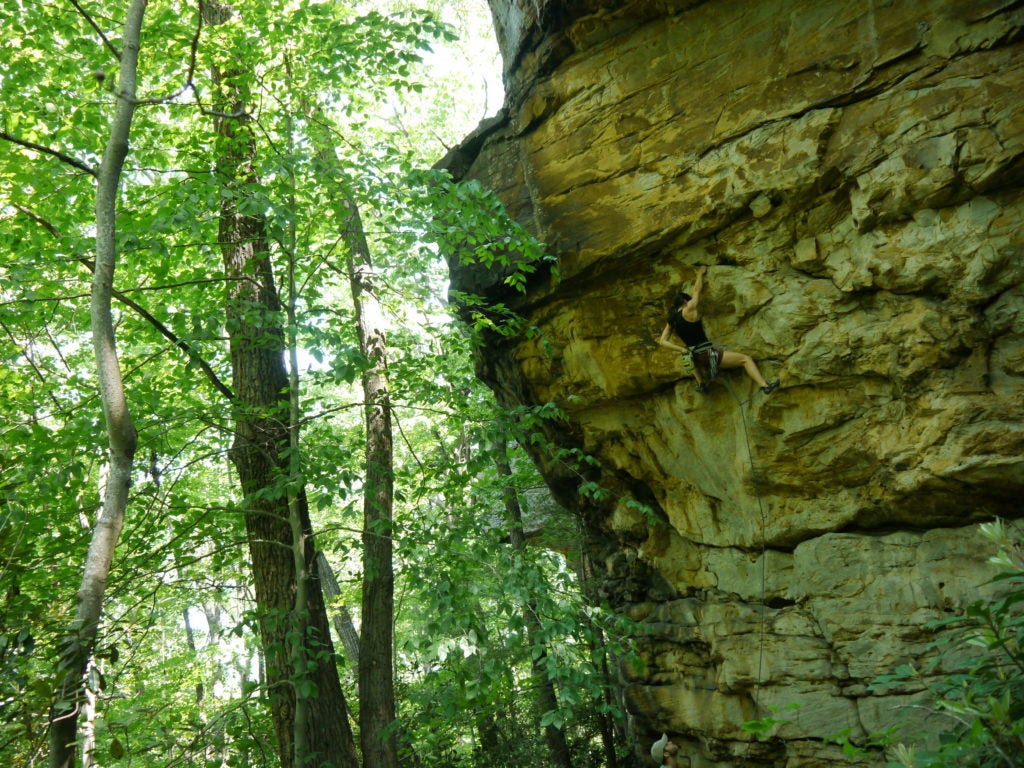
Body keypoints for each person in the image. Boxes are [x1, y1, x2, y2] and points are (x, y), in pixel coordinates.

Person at [658, 266, 779, 395]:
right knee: (745, 359)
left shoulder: (671, 320)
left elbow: (663, 341)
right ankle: (764, 385)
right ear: (684, 301)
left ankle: (701, 383)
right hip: (707, 355)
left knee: (687, 354)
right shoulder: (688, 309)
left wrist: (682, 349)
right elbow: (697, 291)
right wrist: (700, 275)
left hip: (695, 358)